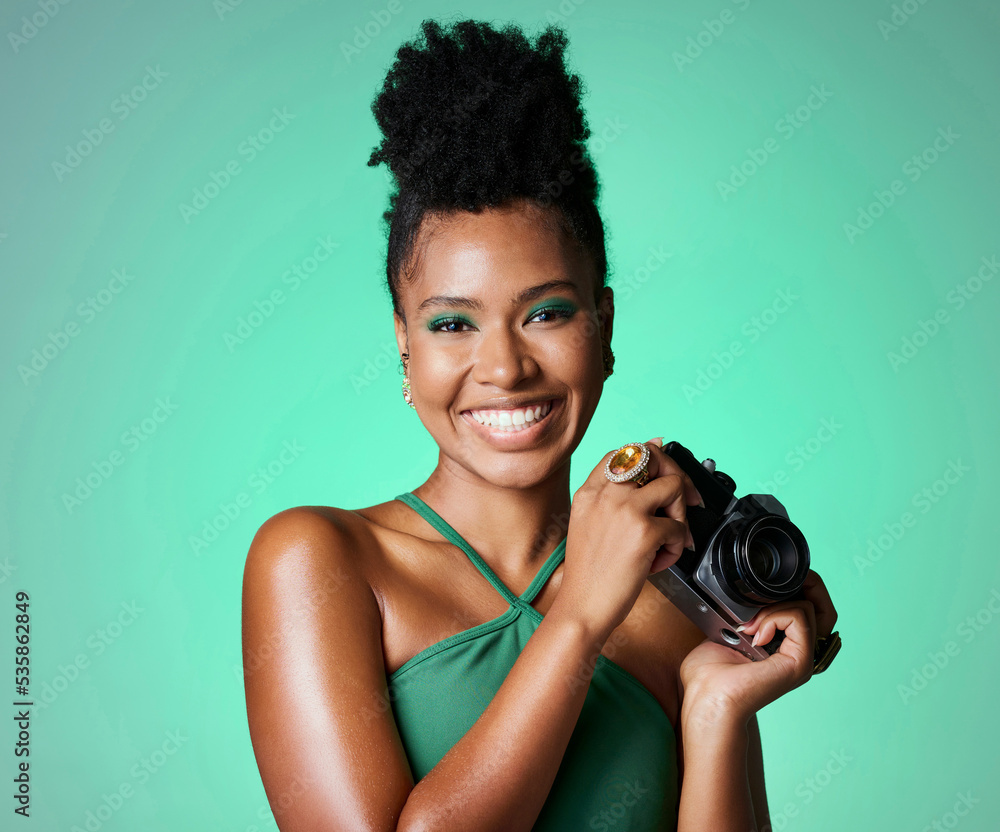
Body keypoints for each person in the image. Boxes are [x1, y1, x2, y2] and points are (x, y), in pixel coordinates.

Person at [241, 17, 839, 832]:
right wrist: (581, 618)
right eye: (453, 324)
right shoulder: (321, 562)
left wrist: (717, 708)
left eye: (546, 314)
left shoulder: (672, 596)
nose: (505, 367)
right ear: (404, 347)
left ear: (605, 328)